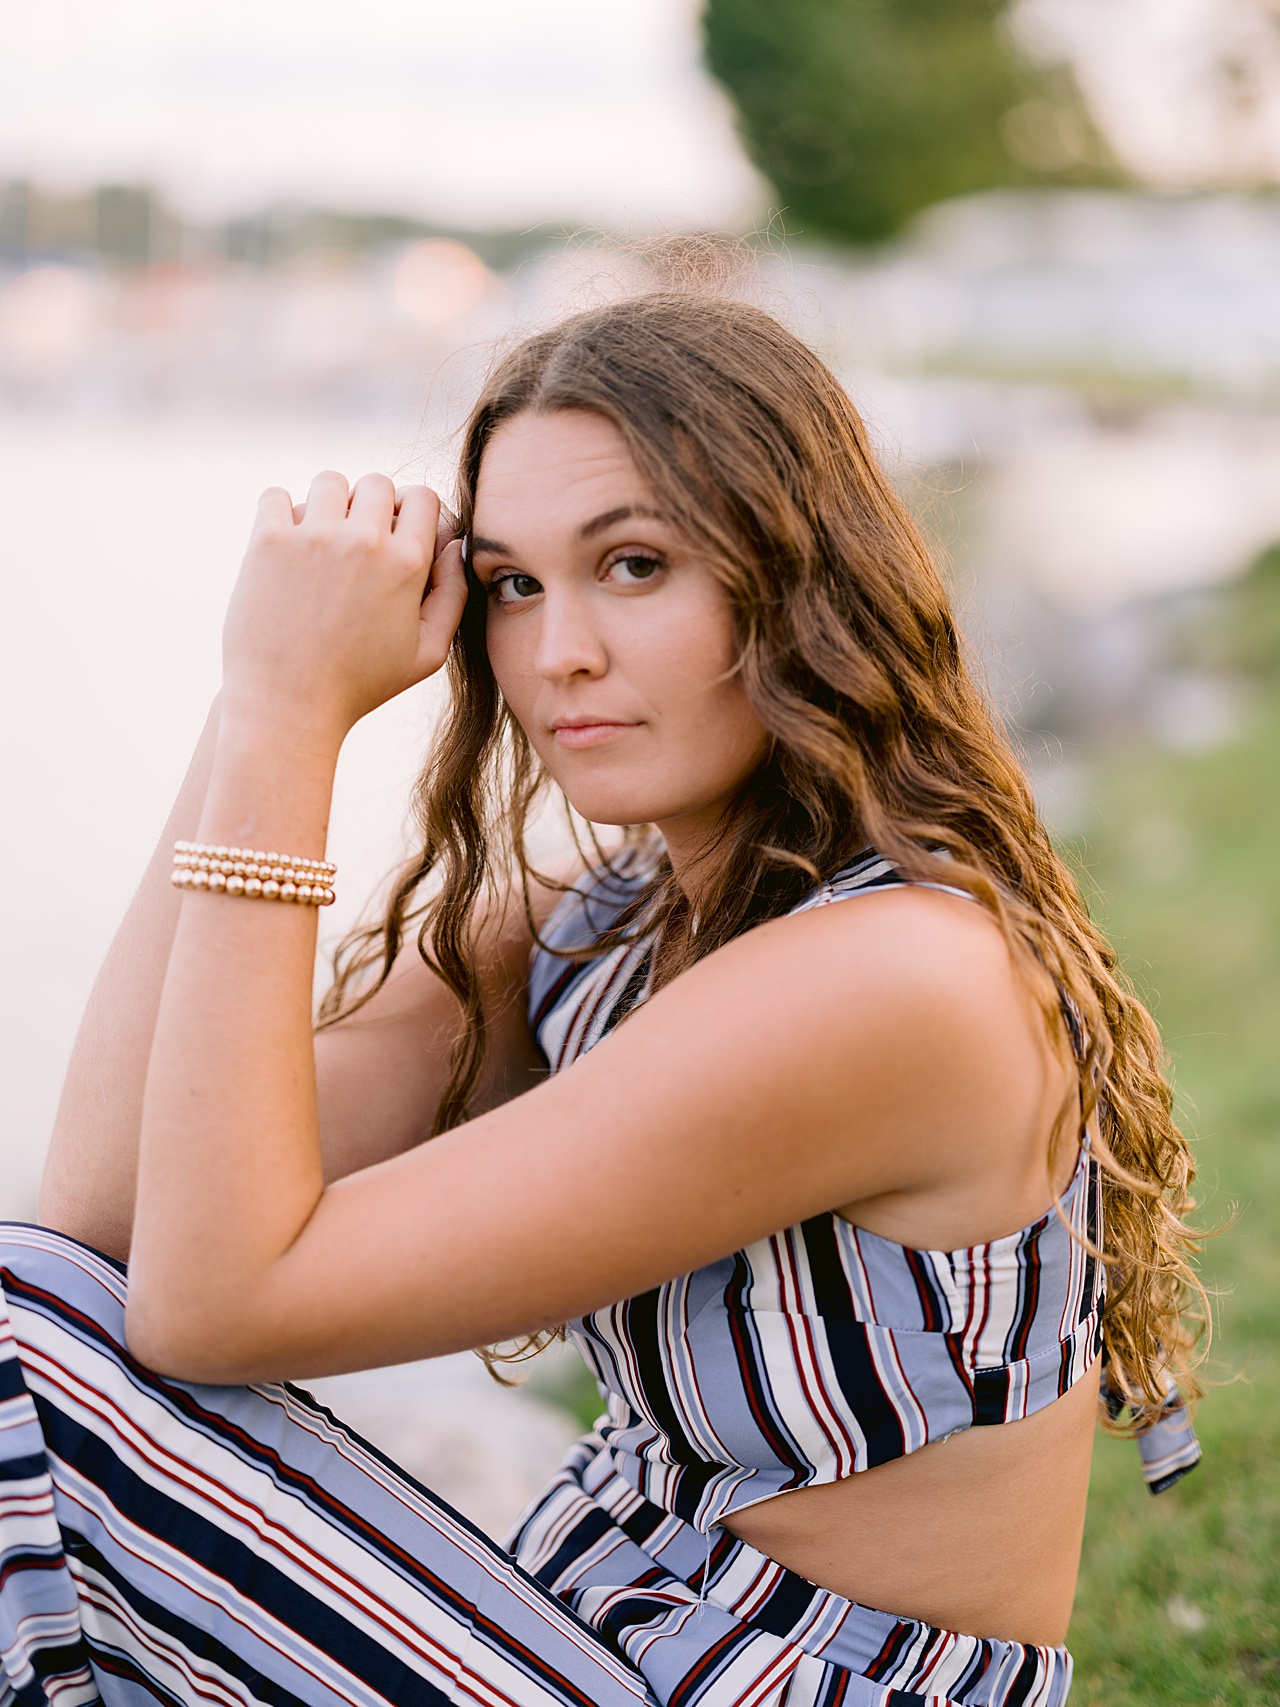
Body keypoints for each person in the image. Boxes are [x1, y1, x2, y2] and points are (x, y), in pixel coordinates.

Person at [6, 294, 1201, 1707]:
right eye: (512, 583)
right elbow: (101, 1219)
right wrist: (251, 689)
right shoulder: (619, 918)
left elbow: (210, 1311)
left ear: (798, 580)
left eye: (634, 565)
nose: (557, 649)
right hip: (582, 1643)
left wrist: (291, 722)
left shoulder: (895, 979)